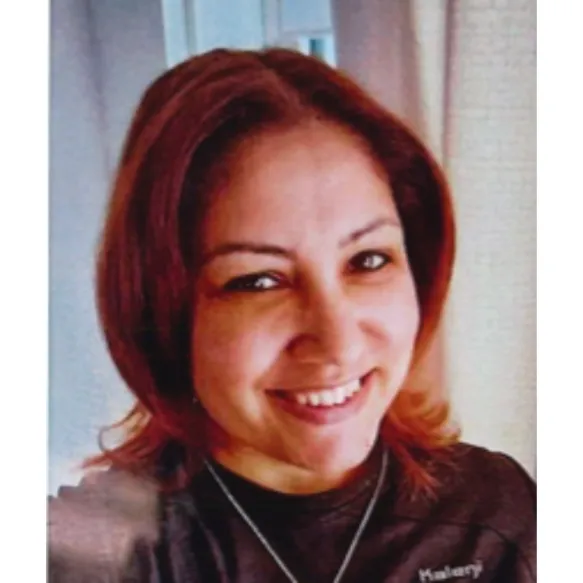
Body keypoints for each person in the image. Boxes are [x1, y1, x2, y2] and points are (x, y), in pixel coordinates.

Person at [48, 47, 536, 583]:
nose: (339, 343)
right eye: (259, 281)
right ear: (165, 313)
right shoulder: (94, 552)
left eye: (368, 260)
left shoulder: (498, 514)